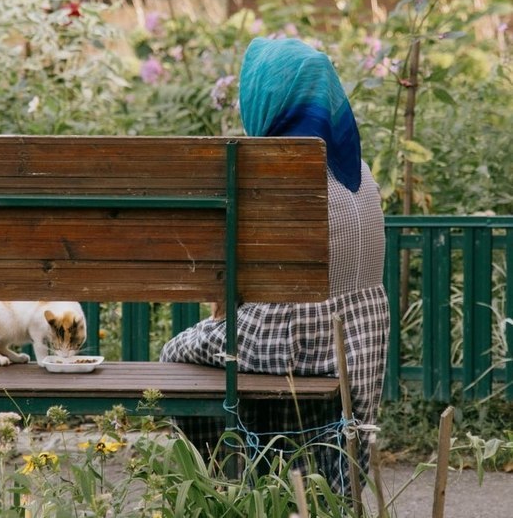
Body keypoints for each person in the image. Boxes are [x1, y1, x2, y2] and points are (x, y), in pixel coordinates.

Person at [159, 37, 389, 494]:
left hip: (292, 337)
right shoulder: (360, 171)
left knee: (175, 357)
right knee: (260, 376)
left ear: (265, 98)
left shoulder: (278, 176)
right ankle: (305, 491)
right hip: (358, 345)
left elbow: (230, 283)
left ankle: (225, 483)